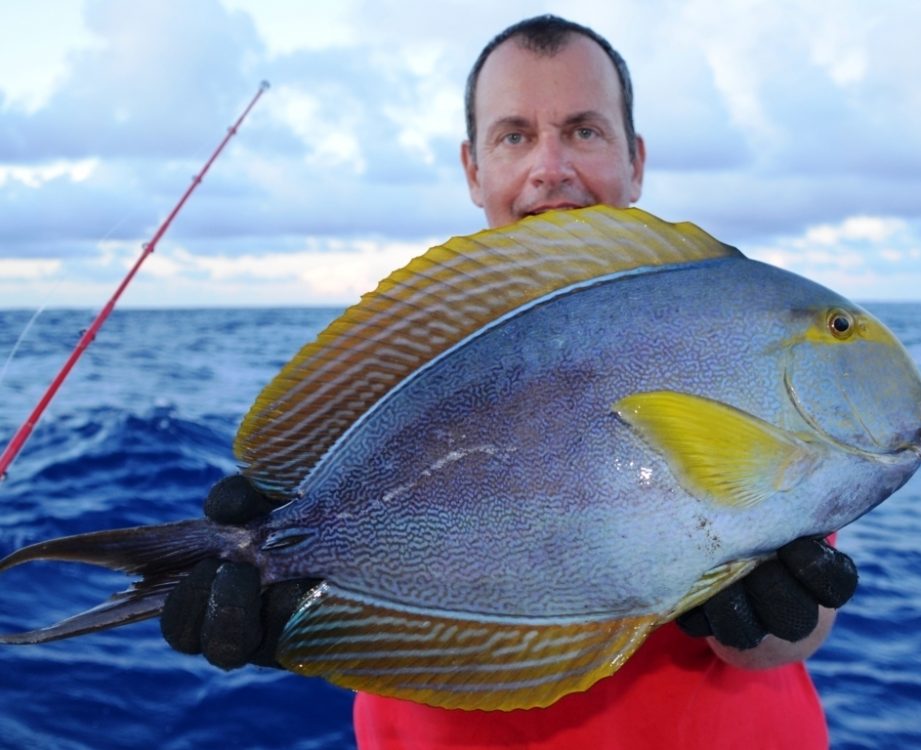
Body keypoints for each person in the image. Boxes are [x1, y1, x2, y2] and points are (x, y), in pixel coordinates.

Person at [161, 15, 858, 749]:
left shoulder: (725, 327)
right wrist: (295, 584)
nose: (550, 168)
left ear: (636, 160)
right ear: (473, 168)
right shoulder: (406, 354)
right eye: (515, 135)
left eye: (585, 131)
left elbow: (798, 629)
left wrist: (774, 610)